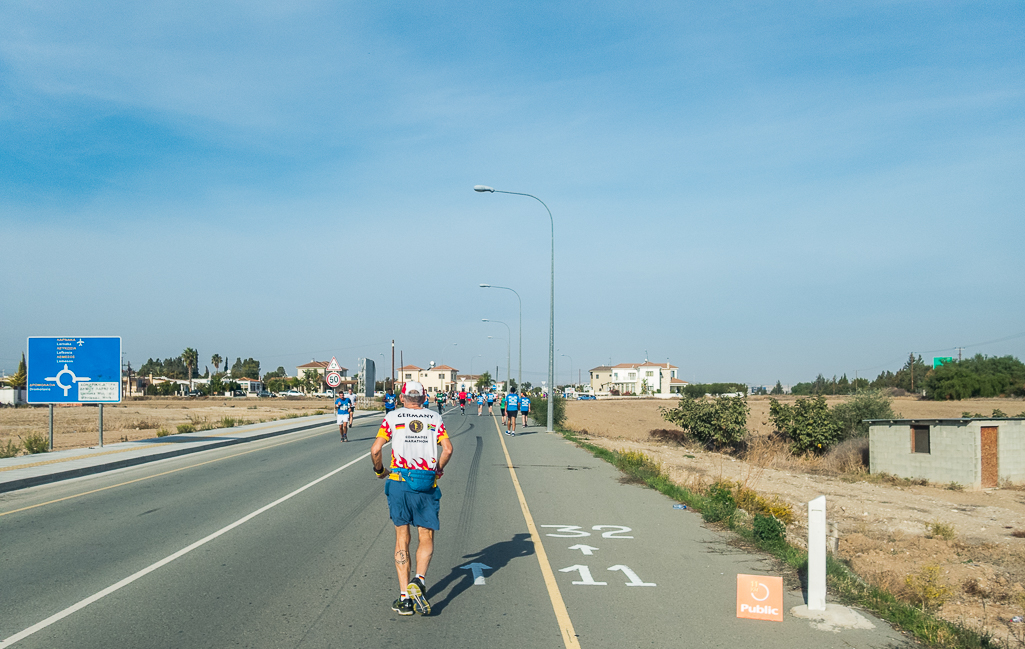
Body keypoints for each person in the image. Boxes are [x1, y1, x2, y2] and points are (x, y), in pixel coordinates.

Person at [371, 381, 453, 617]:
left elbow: (376, 450)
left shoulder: (393, 418)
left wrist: (379, 471)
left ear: (401, 397)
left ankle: (405, 599)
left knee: (401, 537)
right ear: (424, 397)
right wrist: (437, 469)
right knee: (425, 534)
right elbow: (447, 449)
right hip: (425, 481)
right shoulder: (434, 419)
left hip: (398, 480)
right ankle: (419, 579)